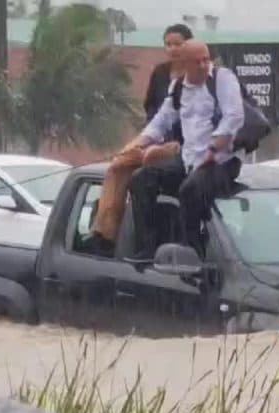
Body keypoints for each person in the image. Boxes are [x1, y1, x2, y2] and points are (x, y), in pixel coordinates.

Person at [127, 39, 245, 258]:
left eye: (206, 59)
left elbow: (234, 117)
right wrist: (139, 143)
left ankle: (192, 253)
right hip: (189, 159)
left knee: (189, 191)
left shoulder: (222, 79)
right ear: (184, 64)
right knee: (141, 179)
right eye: (196, 62)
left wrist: (214, 148)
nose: (203, 65)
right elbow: (162, 120)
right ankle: (147, 248)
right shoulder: (178, 87)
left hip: (220, 161)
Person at [86, 24, 193, 257]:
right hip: (155, 139)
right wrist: (140, 143)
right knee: (118, 164)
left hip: (180, 147)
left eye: (178, 44)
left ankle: (145, 244)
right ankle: (105, 233)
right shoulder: (161, 73)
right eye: (168, 44)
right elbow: (154, 113)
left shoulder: (198, 77)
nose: (173, 49)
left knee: (142, 172)